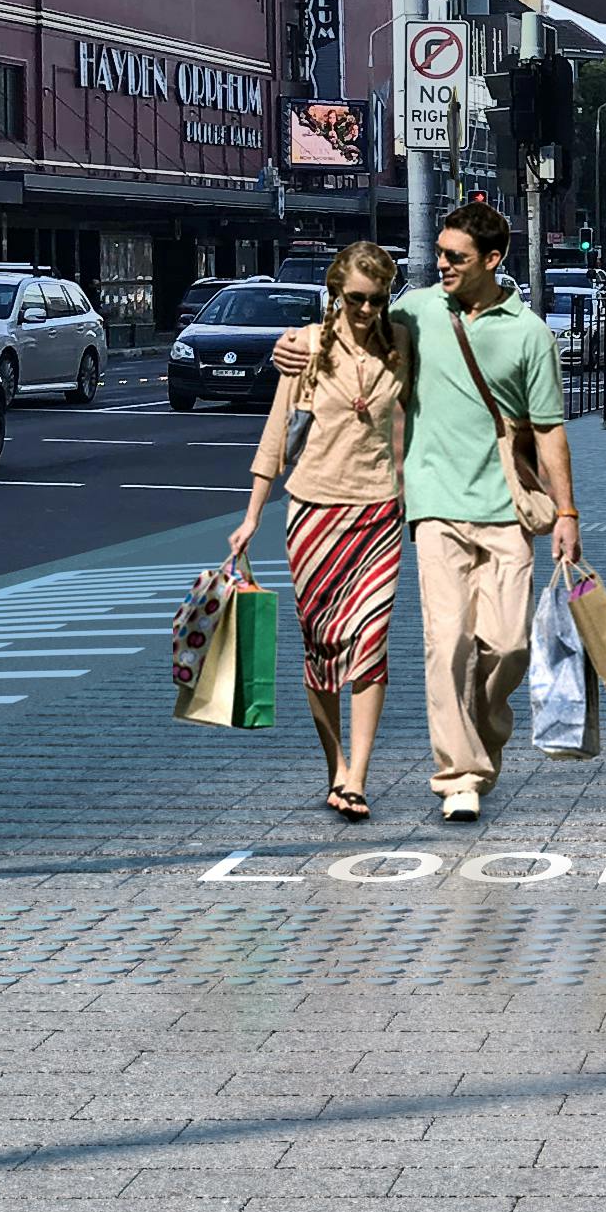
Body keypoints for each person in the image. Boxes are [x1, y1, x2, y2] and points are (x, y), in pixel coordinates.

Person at [222, 240, 413, 823]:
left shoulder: (402, 346)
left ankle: (357, 775)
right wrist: (252, 514)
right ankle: (335, 764)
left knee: (371, 643)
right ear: (336, 293)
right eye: (356, 298)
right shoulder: (304, 347)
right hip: (313, 516)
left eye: (377, 300)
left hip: (380, 514)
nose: (366, 310)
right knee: (324, 652)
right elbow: (278, 434)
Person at [400, 199, 578, 825]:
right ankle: (459, 774)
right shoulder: (419, 310)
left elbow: (551, 431)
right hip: (434, 506)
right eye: (441, 254)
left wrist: (567, 514)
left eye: (456, 257)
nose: (441, 265)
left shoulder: (527, 333)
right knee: (446, 642)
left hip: (508, 511)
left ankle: (485, 731)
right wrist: (302, 343)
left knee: (506, 647)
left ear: (492, 260)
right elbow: (357, 338)